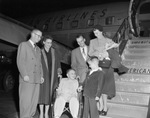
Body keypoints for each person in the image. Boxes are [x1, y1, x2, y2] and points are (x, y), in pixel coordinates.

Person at [88, 25, 128, 116]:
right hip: (98, 65)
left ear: (101, 32)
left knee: (105, 88)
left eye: (97, 32)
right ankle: (100, 106)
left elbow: (117, 46)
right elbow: (90, 52)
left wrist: (108, 50)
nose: (95, 34)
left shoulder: (108, 40)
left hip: (107, 67)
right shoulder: (92, 41)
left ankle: (105, 107)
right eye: (94, 33)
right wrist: (100, 53)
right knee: (99, 87)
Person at [17, 29, 44, 118]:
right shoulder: (23, 45)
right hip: (27, 78)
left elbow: (40, 64)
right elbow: (20, 61)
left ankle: (31, 116)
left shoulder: (38, 49)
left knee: (34, 101)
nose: (39, 38)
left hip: (36, 78)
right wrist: (24, 74)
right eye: (37, 35)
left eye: (40, 36)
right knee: (26, 101)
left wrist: (41, 76)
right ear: (32, 34)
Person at [39, 35, 62, 118]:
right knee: (41, 95)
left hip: (52, 76)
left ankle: (46, 113)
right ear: (43, 42)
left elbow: (58, 63)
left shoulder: (54, 51)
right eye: (48, 43)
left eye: (51, 43)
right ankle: (41, 113)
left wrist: (59, 72)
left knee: (49, 95)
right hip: (43, 75)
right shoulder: (39, 51)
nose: (49, 44)